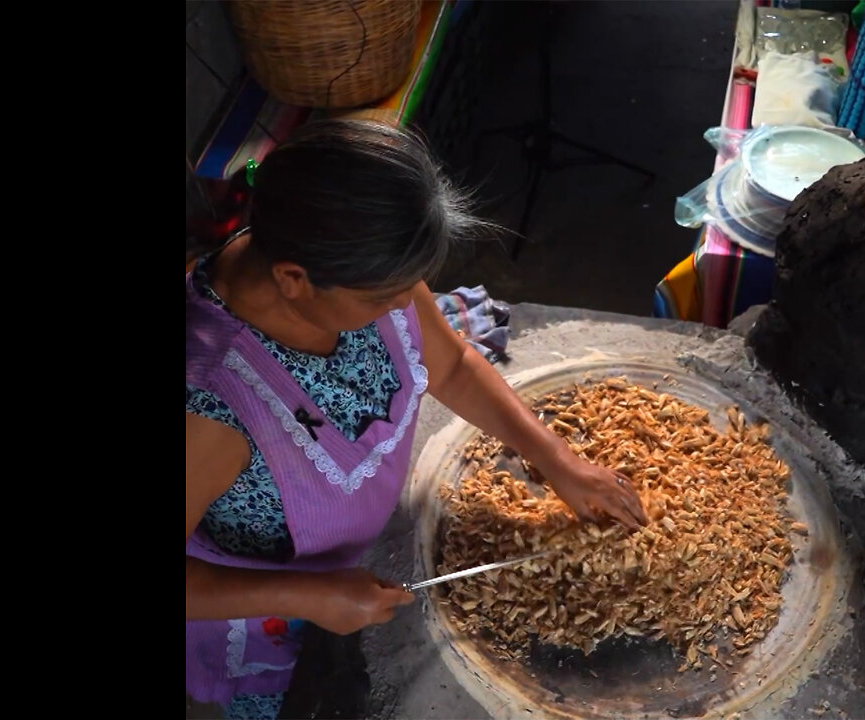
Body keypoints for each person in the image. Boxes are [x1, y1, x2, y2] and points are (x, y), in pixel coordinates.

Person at [186, 119, 649, 720]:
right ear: (293, 280)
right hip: (267, 613)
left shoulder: (359, 262)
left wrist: (558, 462)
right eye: (385, 297)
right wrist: (305, 595)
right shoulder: (211, 401)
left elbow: (452, 366)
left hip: (360, 557)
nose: (407, 303)